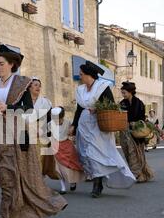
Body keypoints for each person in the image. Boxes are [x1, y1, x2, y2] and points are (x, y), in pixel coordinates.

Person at [0, 44, 67, 218]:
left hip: (18, 132)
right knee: (4, 172)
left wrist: (8, 108)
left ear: (11, 64)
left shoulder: (22, 83)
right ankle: (13, 211)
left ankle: (8, 214)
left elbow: (28, 109)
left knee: (20, 173)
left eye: (1, 63)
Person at [69, 61, 135, 198]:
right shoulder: (80, 90)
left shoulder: (102, 87)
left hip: (98, 125)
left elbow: (110, 106)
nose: (80, 76)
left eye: (81, 74)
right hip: (84, 125)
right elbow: (79, 109)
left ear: (89, 75)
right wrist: (74, 125)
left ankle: (97, 184)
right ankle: (96, 177)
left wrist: (98, 109)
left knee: (96, 153)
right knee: (85, 153)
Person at [119, 82, 154, 183]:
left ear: (130, 92)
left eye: (124, 93)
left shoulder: (139, 103)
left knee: (135, 153)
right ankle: (141, 174)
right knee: (128, 153)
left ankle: (137, 174)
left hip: (136, 132)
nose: (123, 95)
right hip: (125, 131)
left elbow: (142, 117)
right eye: (122, 93)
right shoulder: (122, 103)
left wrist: (135, 123)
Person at [26, 77, 59, 180]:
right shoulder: (23, 102)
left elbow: (50, 119)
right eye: (35, 85)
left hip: (41, 133)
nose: (38, 87)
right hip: (26, 132)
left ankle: (39, 182)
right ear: (29, 87)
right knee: (28, 159)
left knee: (40, 158)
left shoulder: (45, 102)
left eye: (39, 85)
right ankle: (31, 182)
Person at [49, 107, 84, 195]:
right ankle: (63, 187)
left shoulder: (68, 122)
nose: (57, 121)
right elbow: (47, 134)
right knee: (59, 169)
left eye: (59, 118)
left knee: (70, 167)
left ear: (62, 117)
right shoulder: (50, 124)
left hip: (67, 147)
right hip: (56, 148)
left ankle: (72, 182)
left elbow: (74, 132)